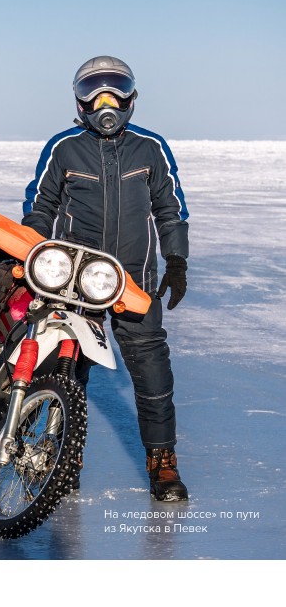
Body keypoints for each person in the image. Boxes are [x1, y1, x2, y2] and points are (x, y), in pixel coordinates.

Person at [21, 55, 189, 501]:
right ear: (79, 102)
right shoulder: (63, 149)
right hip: (74, 277)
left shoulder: (150, 148)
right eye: (94, 93)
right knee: (65, 364)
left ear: (132, 97)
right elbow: (41, 208)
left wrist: (176, 261)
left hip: (134, 279)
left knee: (152, 370)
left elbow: (171, 210)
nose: (105, 102)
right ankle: (62, 454)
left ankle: (162, 461)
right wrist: (31, 256)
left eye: (115, 90)